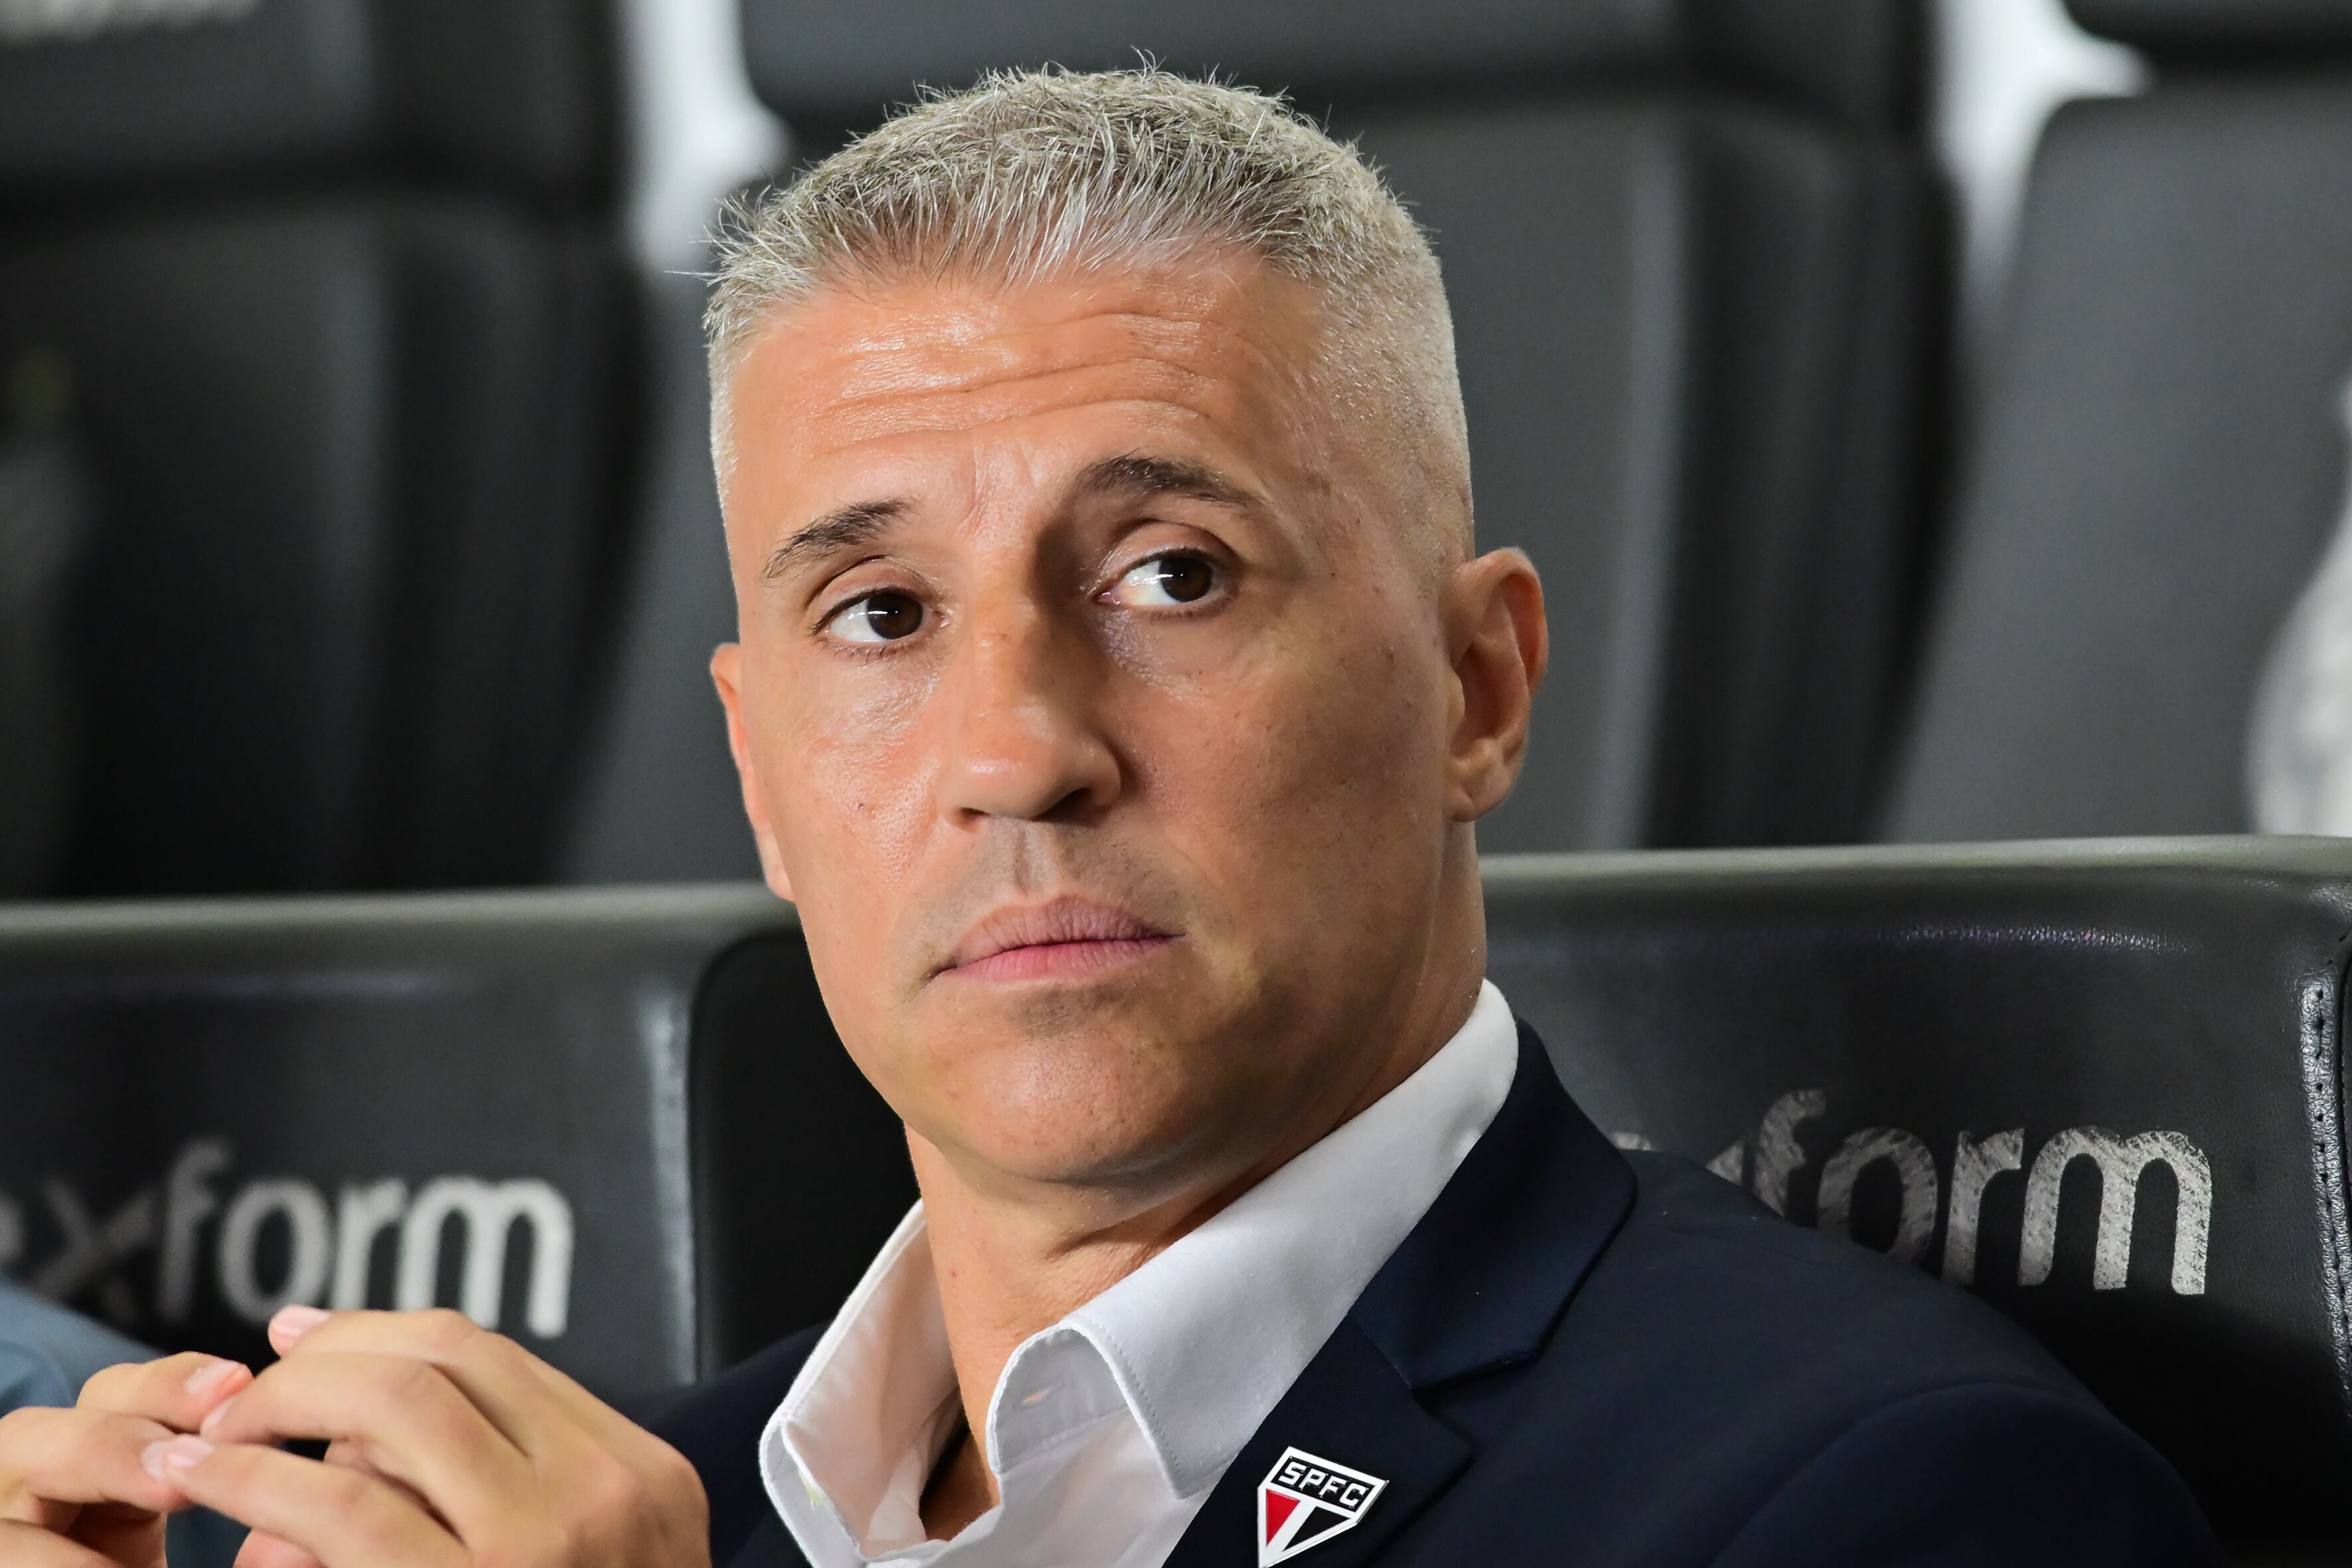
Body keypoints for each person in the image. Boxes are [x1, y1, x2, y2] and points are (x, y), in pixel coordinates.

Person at [0, 68, 2220, 1568]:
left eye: (1171, 574)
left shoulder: (1897, 1498)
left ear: (1476, 687)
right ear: (760, 774)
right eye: (881, 614)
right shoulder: (648, 1499)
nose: (1017, 746)